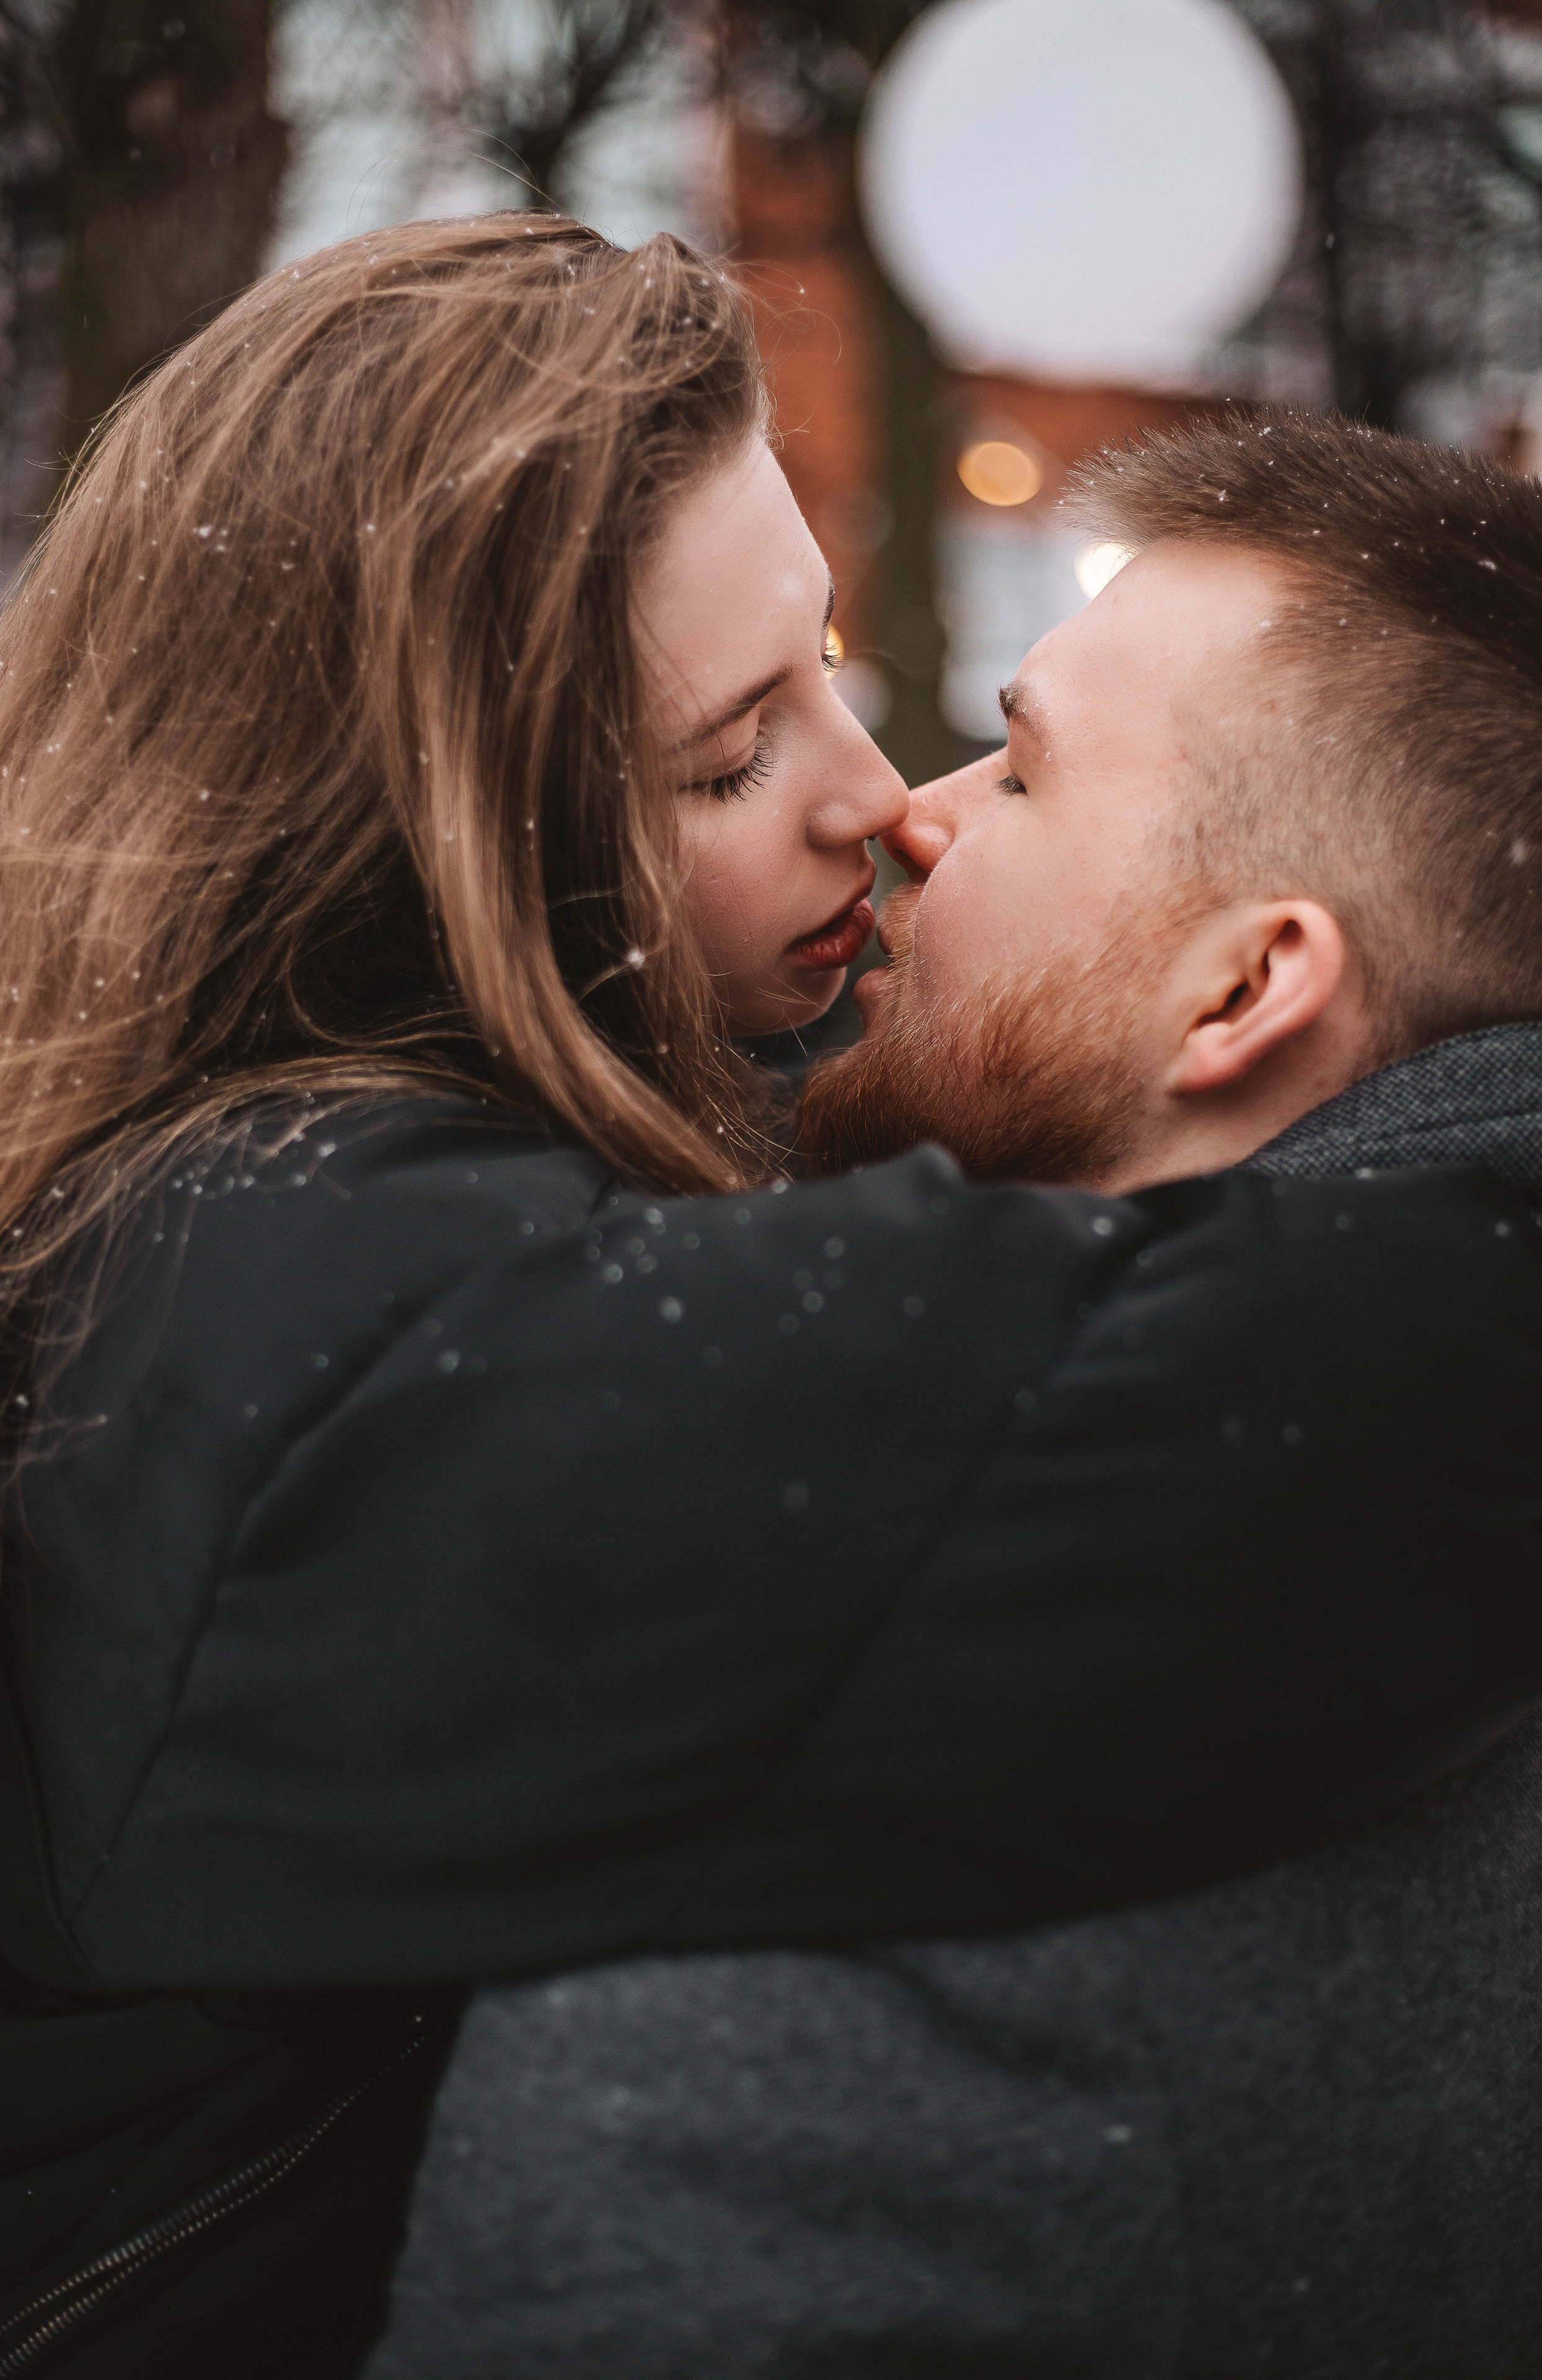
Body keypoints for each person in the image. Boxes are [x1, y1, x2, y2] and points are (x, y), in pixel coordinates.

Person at [0, 210, 1536, 2380]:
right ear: (437, 845)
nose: (875, 799)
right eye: (724, 758)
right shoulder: (262, 1298)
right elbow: (1137, 1418)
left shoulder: (357, 1171)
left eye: (831, 660)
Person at [366, 407, 1542, 2378]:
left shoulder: (943, 1744)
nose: (917, 804)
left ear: (1245, 989)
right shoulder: (1423, 1512)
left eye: (1029, 766)